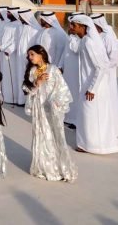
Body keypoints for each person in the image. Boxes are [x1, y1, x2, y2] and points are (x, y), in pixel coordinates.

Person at [22, 45, 77, 181]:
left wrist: (56, 102)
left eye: (32, 54)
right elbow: (26, 89)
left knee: (55, 135)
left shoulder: (53, 70)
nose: (30, 57)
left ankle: (59, 167)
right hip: (39, 109)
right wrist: (37, 83)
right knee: (42, 135)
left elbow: (62, 89)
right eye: (29, 55)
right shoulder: (32, 71)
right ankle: (43, 167)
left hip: (53, 109)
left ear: (41, 54)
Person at [69, 15, 118, 154]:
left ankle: (92, 146)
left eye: (73, 25)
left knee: (91, 115)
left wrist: (92, 88)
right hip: (88, 84)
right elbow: (76, 50)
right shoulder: (85, 40)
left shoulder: (90, 43)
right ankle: (87, 144)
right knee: (87, 115)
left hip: (93, 87)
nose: (71, 28)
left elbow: (101, 67)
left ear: (82, 26)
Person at [91, 13, 118, 143]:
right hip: (98, 75)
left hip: (107, 75)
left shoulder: (107, 37)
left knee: (109, 101)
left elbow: (114, 58)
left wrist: (103, 67)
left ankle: (112, 133)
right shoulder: (95, 36)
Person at [0, 7, 22, 105]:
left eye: (9, 12)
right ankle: (6, 96)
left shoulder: (18, 26)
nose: (7, 14)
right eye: (7, 12)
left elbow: (16, 41)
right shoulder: (8, 24)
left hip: (11, 55)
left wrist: (8, 50)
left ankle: (13, 98)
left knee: (12, 76)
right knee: (5, 76)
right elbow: (2, 37)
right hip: (4, 53)